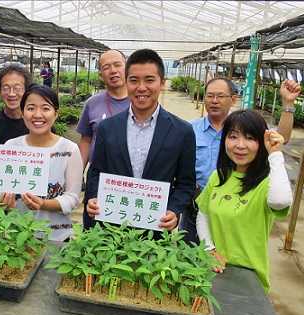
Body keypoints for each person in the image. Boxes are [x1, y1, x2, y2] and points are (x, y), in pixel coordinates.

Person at [85, 49, 196, 231]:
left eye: (149, 80)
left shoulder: (182, 131)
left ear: (162, 83)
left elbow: (186, 183)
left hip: (155, 229)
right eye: (134, 80)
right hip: (112, 228)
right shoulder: (108, 128)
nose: (141, 87)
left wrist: (174, 210)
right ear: (126, 82)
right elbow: (96, 172)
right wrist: (93, 197)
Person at [180, 77, 301, 244]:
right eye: (209, 96)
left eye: (220, 96)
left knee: (226, 259)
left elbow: (282, 138)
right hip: (196, 207)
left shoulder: (246, 127)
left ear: (233, 99)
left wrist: (288, 105)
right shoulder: (189, 129)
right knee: (187, 258)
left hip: (233, 210)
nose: (214, 101)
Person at [196, 110, 292, 293]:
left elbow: (280, 201)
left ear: (261, 143)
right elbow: (203, 214)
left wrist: (275, 154)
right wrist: (209, 250)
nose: (240, 145)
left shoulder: (267, 183)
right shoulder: (218, 177)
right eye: (233, 137)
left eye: (250, 138)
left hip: (249, 279)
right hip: (214, 271)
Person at [0, 85, 82, 242]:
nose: (38, 115)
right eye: (30, 108)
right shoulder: (11, 146)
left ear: (56, 114)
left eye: (45, 108)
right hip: (17, 236)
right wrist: (4, 201)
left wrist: (44, 204)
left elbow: (72, 198)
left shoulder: (69, 149)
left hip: (56, 237)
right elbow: (2, 189)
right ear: (22, 113)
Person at [76, 49, 129, 228]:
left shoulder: (140, 101)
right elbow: (86, 140)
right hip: (98, 175)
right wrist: (77, 175)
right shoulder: (93, 103)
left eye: (117, 65)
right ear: (100, 75)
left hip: (130, 177)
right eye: (106, 67)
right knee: (94, 226)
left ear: (127, 67)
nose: (113, 71)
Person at [0, 63, 31, 144]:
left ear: (26, 91)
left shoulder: (37, 124)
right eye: (6, 88)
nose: (11, 94)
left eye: (17, 88)